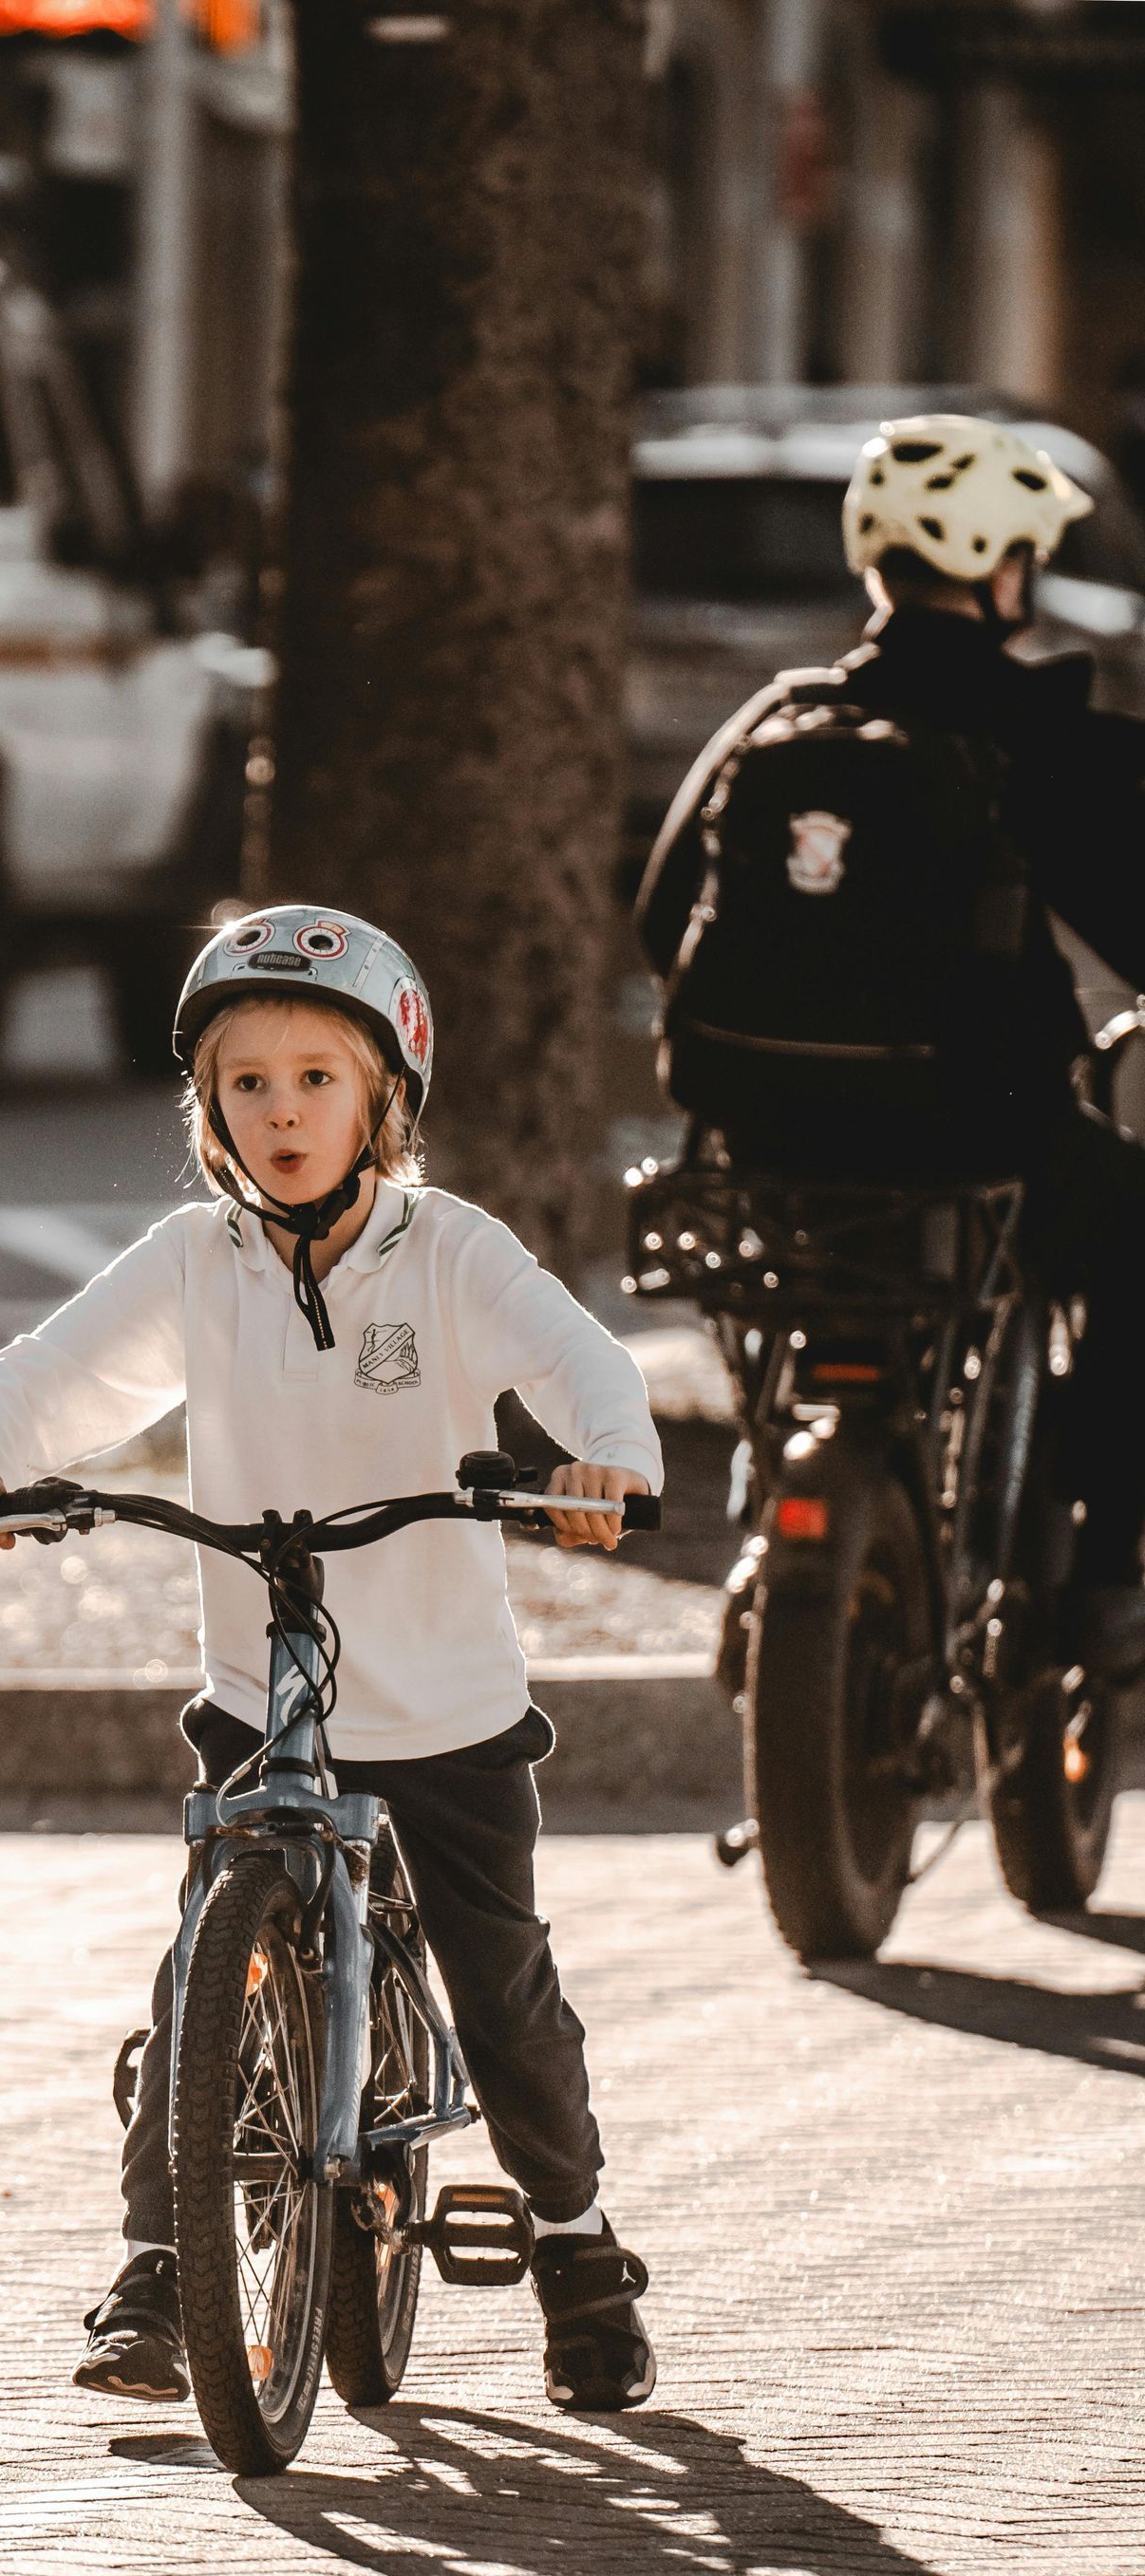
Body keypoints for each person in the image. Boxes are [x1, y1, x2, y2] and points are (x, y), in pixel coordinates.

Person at [0, 908, 663, 2414]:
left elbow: (580, 1360)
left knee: (503, 1990)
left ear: (385, 1097)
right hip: (267, 1701)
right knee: (201, 1968)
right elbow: (57, 1375)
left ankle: (577, 2255)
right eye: (245, 1084)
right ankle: (158, 2268)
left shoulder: (447, 1250)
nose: (282, 1112)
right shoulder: (196, 1262)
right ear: (208, 1112)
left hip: (446, 1707)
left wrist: (606, 1461)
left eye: (318, 1078)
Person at [636, 413, 1145, 1673]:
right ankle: (1093, 1586)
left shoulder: (782, 720)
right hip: (979, 1138)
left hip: (762, 1135)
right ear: (1003, 570)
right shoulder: (1031, 737)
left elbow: (659, 923)